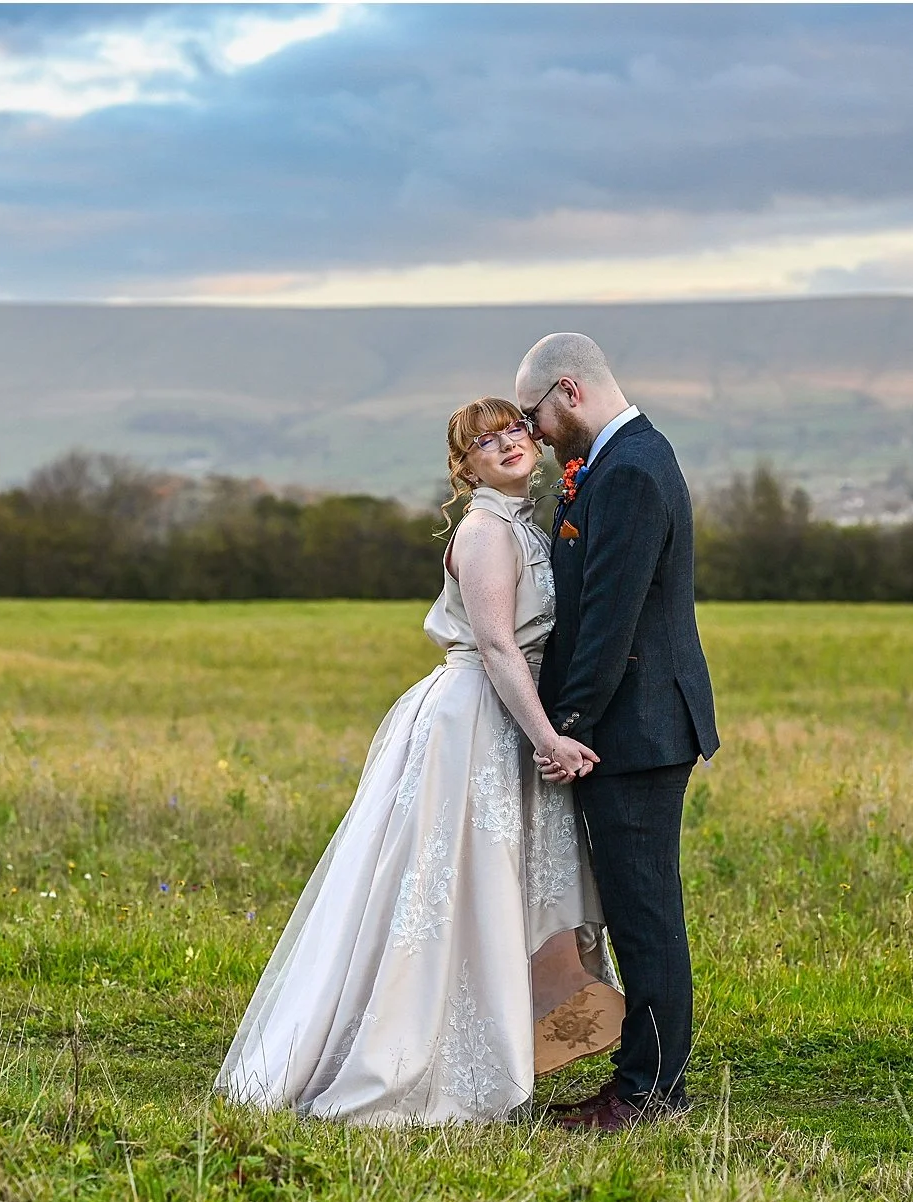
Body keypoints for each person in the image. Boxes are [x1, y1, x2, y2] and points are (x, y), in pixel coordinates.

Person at [216, 396, 626, 1124]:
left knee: (488, 882)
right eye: (484, 442)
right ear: (463, 467)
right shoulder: (484, 533)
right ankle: (407, 1053)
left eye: (512, 431)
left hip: (502, 712)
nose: (505, 445)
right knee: (446, 884)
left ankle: (495, 1037)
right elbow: (498, 646)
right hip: (474, 716)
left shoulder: (518, 526)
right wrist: (547, 739)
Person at [516, 333, 721, 1132]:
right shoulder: (619, 457)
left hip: (636, 733)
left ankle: (649, 1096)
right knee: (643, 912)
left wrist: (565, 728)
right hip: (635, 727)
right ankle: (645, 1083)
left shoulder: (631, 468)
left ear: (568, 390)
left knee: (647, 918)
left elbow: (609, 620)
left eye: (533, 414)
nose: (532, 433)